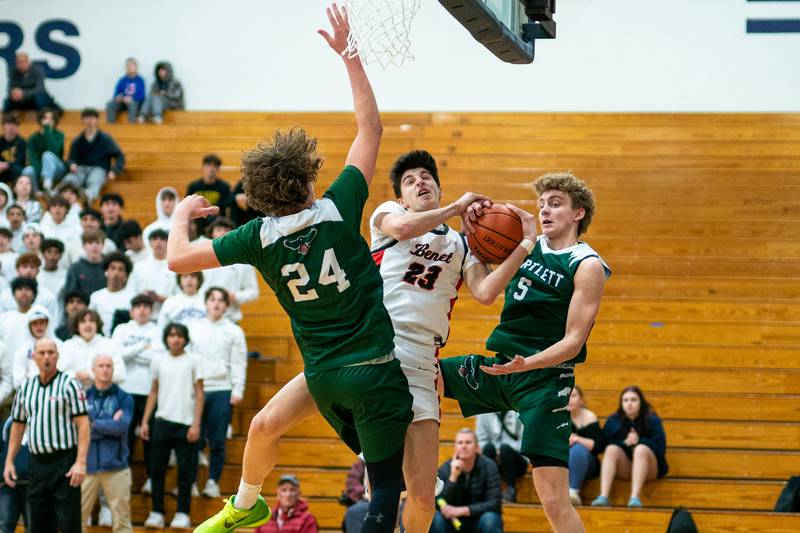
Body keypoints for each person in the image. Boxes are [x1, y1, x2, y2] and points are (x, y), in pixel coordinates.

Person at [181, 6, 412, 532]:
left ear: (259, 197)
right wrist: (349, 55)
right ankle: (246, 506)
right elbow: (370, 126)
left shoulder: (256, 237)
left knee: (263, 428)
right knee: (384, 495)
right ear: (308, 179)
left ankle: (243, 501)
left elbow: (176, 258)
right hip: (371, 368)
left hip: (324, 373)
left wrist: (178, 215)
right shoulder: (337, 206)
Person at [439, 171, 612, 533]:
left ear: (578, 213)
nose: (545, 210)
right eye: (542, 203)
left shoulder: (587, 264)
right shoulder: (522, 241)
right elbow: (484, 285)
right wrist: (471, 224)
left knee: (553, 500)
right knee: (422, 374)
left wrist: (527, 364)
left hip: (545, 381)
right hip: (502, 366)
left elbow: (574, 341)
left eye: (555, 203)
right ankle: (392, 469)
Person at [3, 338, 89, 533]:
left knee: (69, 524)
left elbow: (83, 425)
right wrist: (9, 461)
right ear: (34, 357)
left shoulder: (70, 385)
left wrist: (80, 462)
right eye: (42, 353)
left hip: (64, 462)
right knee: (38, 525)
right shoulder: (25, 388)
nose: (47, 357)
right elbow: (17, 425)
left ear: (57, 356)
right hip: (37, 463)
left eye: (51, 352)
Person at [141, 322, 204, 529]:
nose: (175, 339)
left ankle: (183, 513)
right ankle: (157, 511)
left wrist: (196, 424)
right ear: (166, 338)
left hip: (186, 424)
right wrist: (145, 421)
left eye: (179, 335)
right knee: (156, 470)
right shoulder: (158, 361)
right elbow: (153, 391)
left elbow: (200, 393)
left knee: (185, 473)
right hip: (162, 422)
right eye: (171, 335)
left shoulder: (194, 360)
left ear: (185, 339)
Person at [188, 287, 247, 498]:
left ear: (226, 305)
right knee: (194, 438)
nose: (216, 304)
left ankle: (213, 481)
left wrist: (237, 388)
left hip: (222, 389)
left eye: (221, 300)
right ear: (205, 303)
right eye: (212, 299)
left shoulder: (233, 331)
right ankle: (191, 482)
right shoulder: (193, 328)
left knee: (218, 440)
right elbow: (188, 360)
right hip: (199, 390)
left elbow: (239, 362)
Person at [112, 293, 163, 493]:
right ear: (132, 311)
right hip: (125, 391)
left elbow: (157, 358)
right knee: (125, 438)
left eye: (146, 306)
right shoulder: (122, 329)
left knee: (149, 437)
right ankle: (123, 477)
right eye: (138, 306)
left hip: (149, 391)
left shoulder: (157, 330)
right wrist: (143, 346)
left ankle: (151, 477)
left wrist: (131, 352)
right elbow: (117, 355)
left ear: (151, 311)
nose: (142, 310)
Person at [591, 386, 668, 508]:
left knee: (640, 449)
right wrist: (625, 443)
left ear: (640, 402)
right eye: (625, 400)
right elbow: (602, 445)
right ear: (621, 403)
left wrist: (639, 441)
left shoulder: (652, 419)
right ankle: (603, 496)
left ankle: (635, 498)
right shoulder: (613, 420)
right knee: (611, 449)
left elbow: (661, 448)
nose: (629, 404)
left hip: (650, 468)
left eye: (633, 400)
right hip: (625, 467)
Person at [81, 354, 134, 533]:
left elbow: (122, 427)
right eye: (101, 366)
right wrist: (109, 423)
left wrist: (93, 424)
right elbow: (78, 430)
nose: (105, 369)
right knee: (77, 520)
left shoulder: (124, 397)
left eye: (109, 366)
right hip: (86, 467)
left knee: (122, 523)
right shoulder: (83, 398)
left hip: (116, 467)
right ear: (93, 370)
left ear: (113, 370)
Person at [431, 428, 502, 533]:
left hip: (478, 520)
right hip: (451, 522)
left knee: (490, 519)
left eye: (468, 442)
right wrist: (453, 478)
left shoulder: (489, 466)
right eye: (460, 443)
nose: (464, 446)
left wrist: (463, 510)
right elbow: (438, 502)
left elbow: (494, 503)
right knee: (435, 517)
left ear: (477, 447)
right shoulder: (445, 468)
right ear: (455, 447)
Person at [61, 108, 125, 202]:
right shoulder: (77, 140)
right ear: (82, 120)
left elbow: (119, 156)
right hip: (81, 168)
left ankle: (87, 196)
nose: (90, 120)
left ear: (96, 120)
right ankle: (56, 194)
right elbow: (71, 158)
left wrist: (114, 171)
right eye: (87, 118)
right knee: (70, 179)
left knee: (95, 180)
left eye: (92, 118)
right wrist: (72, 164)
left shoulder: (106, 139)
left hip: (99, 167)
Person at [202, 217, 259, 322]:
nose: (223, 233)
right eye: (219, 230)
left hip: (231, 318)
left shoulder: (243, 261)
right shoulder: (202, 257)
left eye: (226, 230)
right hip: (203, 318)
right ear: (211, 234)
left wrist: (235, 296)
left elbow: (254, 292)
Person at [59, 308, 126, 389]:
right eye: (83, 322)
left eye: (91, 321)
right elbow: (60, 372)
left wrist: (92, 375)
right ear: (77, 326)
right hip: (74, 393)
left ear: (97, 325)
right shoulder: (67, 345)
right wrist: (75, 375)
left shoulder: (109, 344)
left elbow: (121, 375)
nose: (88, 325)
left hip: (104, 395)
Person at [476, 410, 528, 502]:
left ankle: (511, 490)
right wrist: (497, 451)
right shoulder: (483, 413)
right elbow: (480, 440)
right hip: (494, 459)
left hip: (517, 460)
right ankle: (488, 491)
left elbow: (525, 440)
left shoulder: (520, 410)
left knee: (505, 450)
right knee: (488, 448)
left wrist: (504, 451)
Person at [129, 229, 177, 321]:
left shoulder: (175, 268)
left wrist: (161, 298)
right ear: (150, 243)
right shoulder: (138, 267)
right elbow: (130, 291)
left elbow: (179, 296)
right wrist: (142, 296)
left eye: (162, 239)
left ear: (168, 243)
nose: (158, 242)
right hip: (142, 317)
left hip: (167, 316)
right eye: (155, 239)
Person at [567, 385, 604, 506]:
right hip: (564, 462)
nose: (569, 399)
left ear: (581, 400)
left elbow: (598, 446)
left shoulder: (590, 417)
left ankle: (573, 492)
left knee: (577, 449)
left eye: (573, 396)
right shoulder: (558, 418)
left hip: (588, 464)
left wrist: (577, 439)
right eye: (567, 395)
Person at [11, 304, 59, 388]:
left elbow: (66, 373)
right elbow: (17, 382)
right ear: (29, 326)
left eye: (42, 322)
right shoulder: (23, 350)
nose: (38, 326)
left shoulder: (59, 345)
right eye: (35, 323)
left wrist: (29, 376)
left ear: (47, 323)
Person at [89, 251, 135, 336]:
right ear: (106, 272)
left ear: (126, 276)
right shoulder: (96, 296)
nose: (116, 273)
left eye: (120, 269)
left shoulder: (132, 297)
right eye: (113, 268)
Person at [22, 107, 66, 191]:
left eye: (51, 118)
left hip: (57, 168)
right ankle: (37, 193)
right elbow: (32, 158)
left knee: (47, 155)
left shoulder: (59, 135)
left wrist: (47, 131)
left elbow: (54, 150)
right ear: (40, 120)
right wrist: (41, 172)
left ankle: (47, 186)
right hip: (40, 170)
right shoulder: (33, 138)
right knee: (27, 170)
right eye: (45, 118)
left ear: (55, 120)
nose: (48, 121)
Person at [185, 153, 230, 234]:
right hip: (198, 220)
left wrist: (206, 209)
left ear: (218, 169)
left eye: (215, 166)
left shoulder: (224, 187)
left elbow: (221, 209)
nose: (211, 169)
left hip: (216, 222)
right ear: (203, 167)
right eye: (208, 165)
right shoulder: (193, 186)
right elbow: (188, 207)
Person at [0, 416, 30, 532]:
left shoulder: (43, 420)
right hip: (6, 485)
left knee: (36, 526)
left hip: (35, 484)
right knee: (4, 526)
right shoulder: (6, 424)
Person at [64, 228, 107, 302]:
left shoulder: (109, 266)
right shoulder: (75, 268)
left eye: (97, 242)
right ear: (84, 246)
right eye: (90, 243)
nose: (94, 246)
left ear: (102, 245)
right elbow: (70, 294)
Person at [106, 58, 146, 124]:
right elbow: (117, 92)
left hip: (135, 102)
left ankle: (131, 125)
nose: (128, 68)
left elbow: (141, 95)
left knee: (131, 103)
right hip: (123, 102)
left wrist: (131, 98)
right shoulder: (122, 80)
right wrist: (118, 96)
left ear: (136, 67)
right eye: (127, 66)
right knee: (110, 104)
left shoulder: (140, 80)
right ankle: (111, 125)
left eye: (130, 66)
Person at [341, 458, 369, 533]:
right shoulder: (363, 462)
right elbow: (351, 482)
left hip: (394, 499)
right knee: (354, 512)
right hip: (366, 500)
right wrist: (364, 492)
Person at [0, 113, 26, 185]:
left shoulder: (21, 142)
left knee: (17, 169)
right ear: (4, 126)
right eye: (8, 124)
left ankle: (16, 193)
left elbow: (20, 160)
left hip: (14, 169)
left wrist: (7, 165)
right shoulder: (0, 141)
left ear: (17, 127)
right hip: (2, 169)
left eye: (14, 124)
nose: (11, 127)